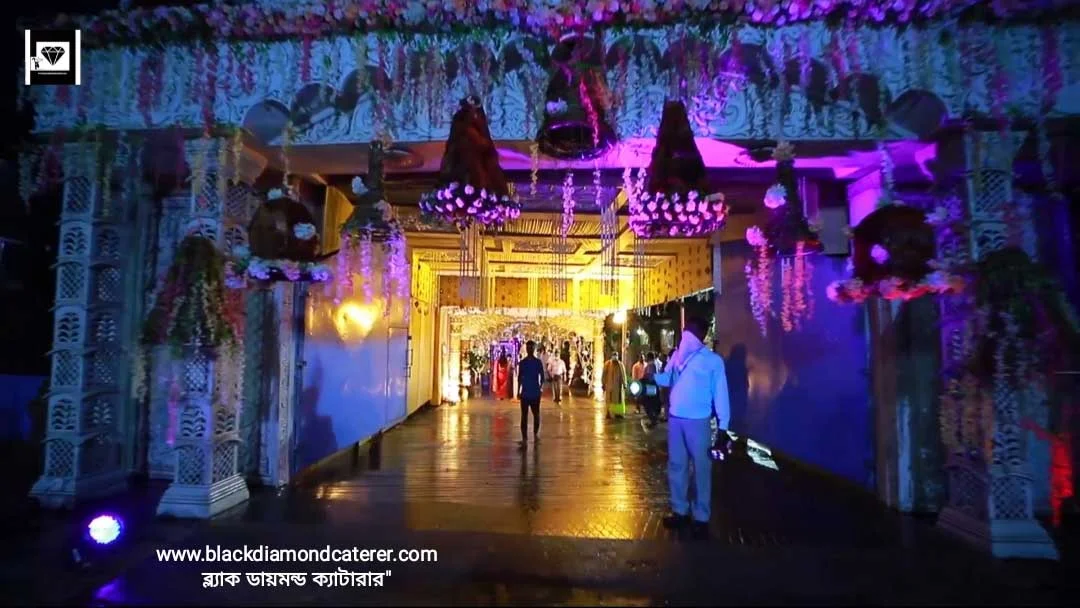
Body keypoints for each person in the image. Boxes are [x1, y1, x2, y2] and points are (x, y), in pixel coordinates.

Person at [653, 317, 730, 540]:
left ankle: (701, 517)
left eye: (690, 330)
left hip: (699, 421)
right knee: (676, 465)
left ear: (701, 333)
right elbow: (667, 379)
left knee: (701, 468)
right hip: (676, 419)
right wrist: (652, 377)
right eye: (685, 329)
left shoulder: (713, 361)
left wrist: (723, 426)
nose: (685, 334)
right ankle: (680, 511)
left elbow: (721, 394)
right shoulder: (678, 356)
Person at [517, 340, 545, 446]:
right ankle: (527, 436)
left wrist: (540, 388)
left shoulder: (533, 362)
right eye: (528, 348)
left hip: (532, 392)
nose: (529, 350)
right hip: (529, 392)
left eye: (531, 348)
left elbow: (542, 377)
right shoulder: (525, 363)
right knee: (527, 415)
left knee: (533, 414)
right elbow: (520, 377)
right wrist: (519, 391)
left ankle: (533, 435)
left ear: (533, 349)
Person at [602, 352, 627, 418]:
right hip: (609, 386)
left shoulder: (620, 365)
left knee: (619, 400)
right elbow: (604, 374)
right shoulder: (607, 364)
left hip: (618, 386)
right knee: (609, 400)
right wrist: (603, 383)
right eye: (614, 355)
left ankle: (619, 413)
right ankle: (609, 413)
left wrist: (624, 384)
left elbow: (623, 375)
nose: (615, 357)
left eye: (616, 355)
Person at [641, 352, 662, 428]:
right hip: (655, 386)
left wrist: (643, 380)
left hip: (651, 386)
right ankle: (654, 420)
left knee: (647, 403)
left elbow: (650, 377)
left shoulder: (650, 365)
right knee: (653, 404)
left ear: (649, 357)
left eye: (647, 357)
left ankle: (653, 420)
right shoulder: (656, 364)